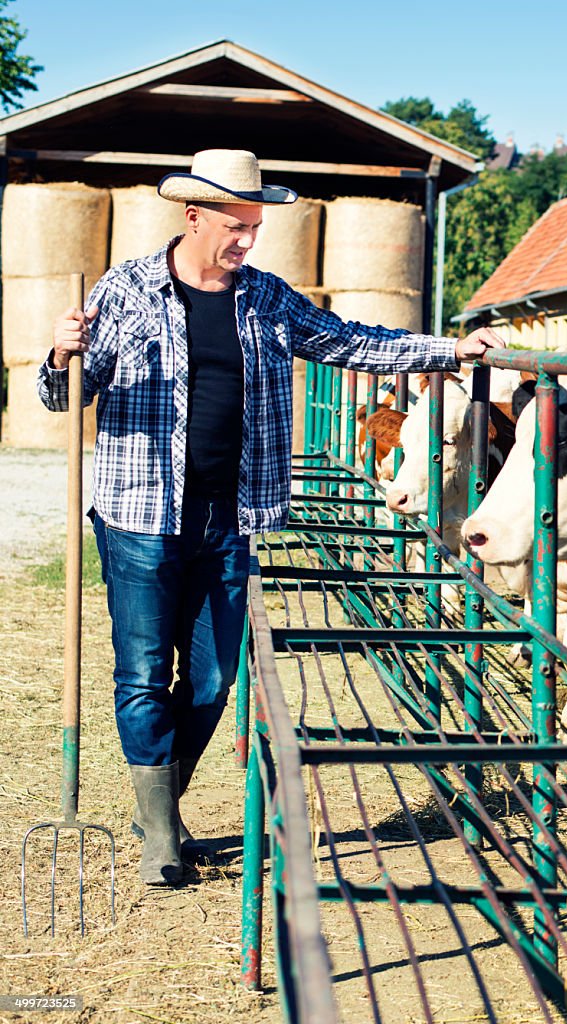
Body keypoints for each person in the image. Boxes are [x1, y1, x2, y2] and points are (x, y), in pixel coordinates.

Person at [38, 149, 504, 885]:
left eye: (255, 225)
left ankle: (158, 799)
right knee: (141, 674)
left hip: (230, 515)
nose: (248, 240)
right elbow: (66, 396)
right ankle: (161, 831)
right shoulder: (125, 290)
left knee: (215, 676)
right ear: (193, 216)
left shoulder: (264, 297)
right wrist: (61, 353)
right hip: (137, 514)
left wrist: (447, 346)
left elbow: (350, 340)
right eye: (237, 226)